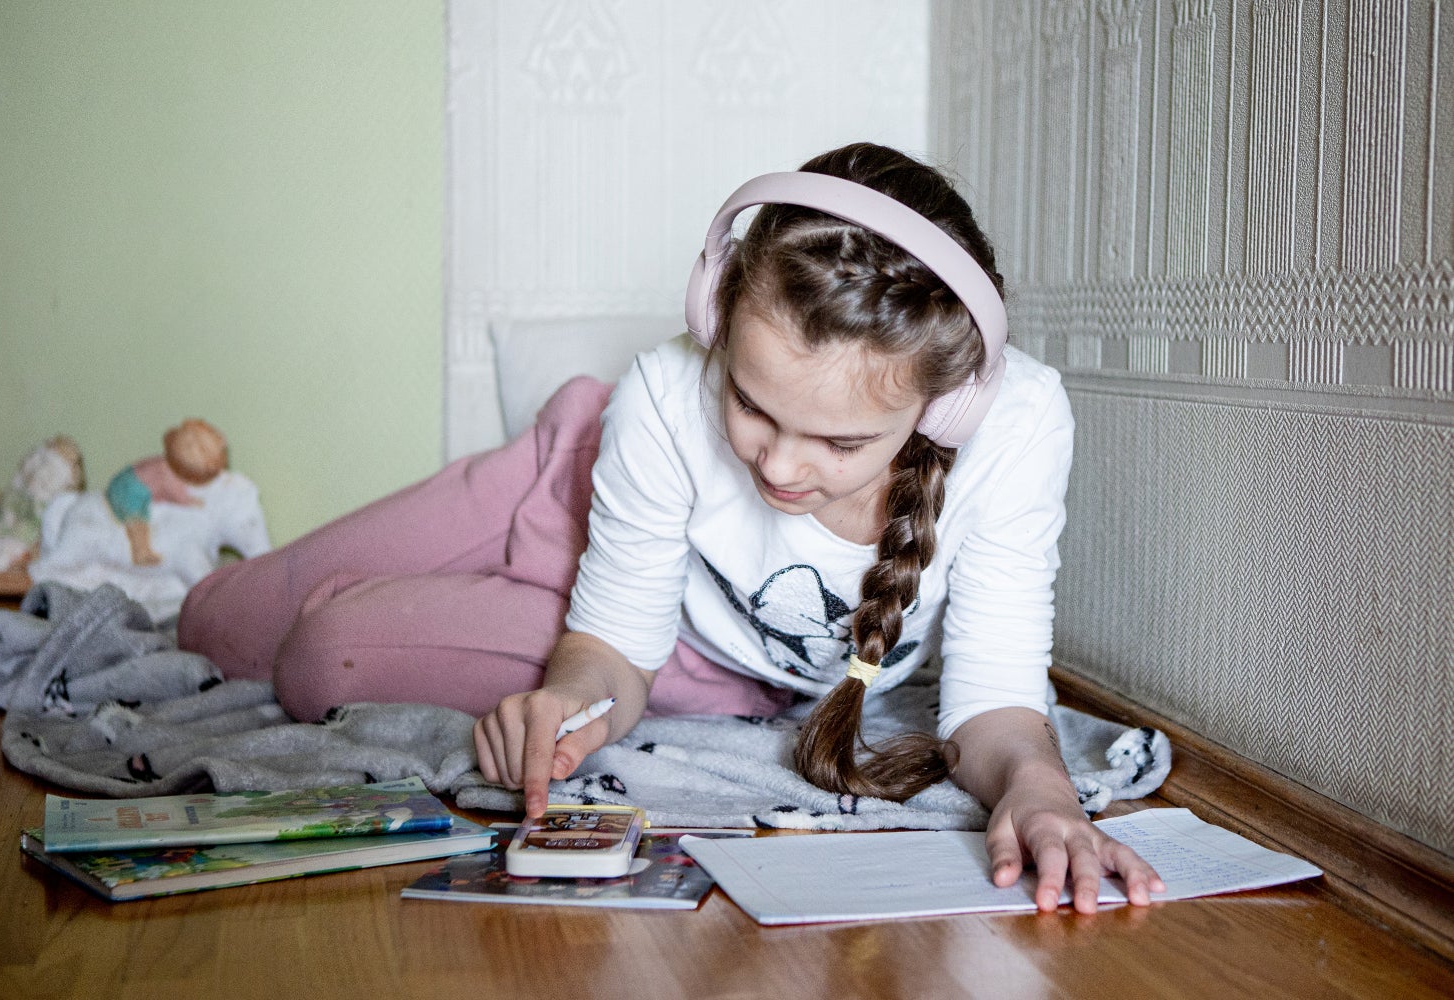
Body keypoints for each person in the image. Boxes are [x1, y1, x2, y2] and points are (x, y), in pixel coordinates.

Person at [179, 142, 1163, 913]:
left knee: (320, 661)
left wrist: (1041, 789)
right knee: (213, 629)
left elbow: (994, 698)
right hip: (565, 487)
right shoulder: (658, 396)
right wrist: (568, 686)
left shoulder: (1017, 422)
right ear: (715, 315)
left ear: (943, 408)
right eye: (750, 403)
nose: (778, 466)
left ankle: (443, 614)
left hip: (695, 657)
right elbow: (608, 636)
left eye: (837, 439)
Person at [107, 419, 229, 565]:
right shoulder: (169, 474)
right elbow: (176, 493)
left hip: (130, 479)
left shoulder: (168, 466)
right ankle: (141, 552)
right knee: (138, 521)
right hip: (128, 489)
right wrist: (188, 501)